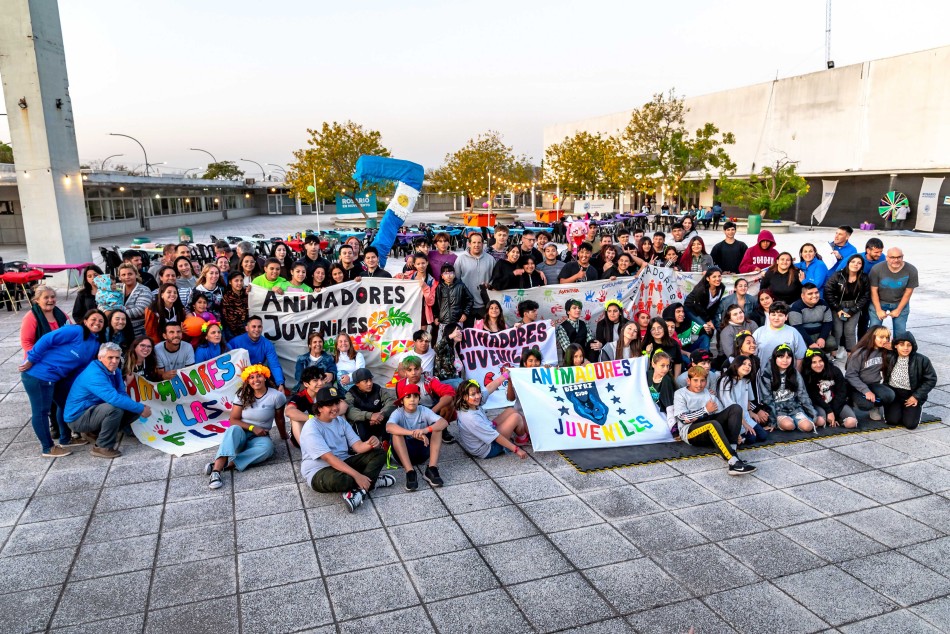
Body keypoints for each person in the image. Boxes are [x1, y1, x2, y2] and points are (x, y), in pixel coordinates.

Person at [20, 310, 105, 457]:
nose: (97, 323)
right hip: (39, 374)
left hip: (58, 378)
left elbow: (80, 368)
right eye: (94, 319)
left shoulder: (95, 342)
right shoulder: (75, 330)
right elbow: (47, 339)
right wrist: (31, 358)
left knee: (66, 404)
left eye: (101, 321)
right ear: (85, 321)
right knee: (41, 411)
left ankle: (66, 439)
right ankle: (48, 448)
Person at [300, 386, 393, 512]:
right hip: (319, 471)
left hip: (344, 462)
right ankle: (372, 481)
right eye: (329, 405)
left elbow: (358, 446)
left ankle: (360, 490)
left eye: (336, 403)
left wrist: (371, 443)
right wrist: (357, 475)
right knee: (345, 479)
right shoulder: (311, 427)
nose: (335, 408)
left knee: (379, 453)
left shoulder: (340, 421)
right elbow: (329, 458)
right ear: (319, 408)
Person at [206, 364, 288, 490]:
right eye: (252, 378)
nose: (256, 380)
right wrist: (252, 428)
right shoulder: (241, 395)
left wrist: (283, 435)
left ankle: (228, 464)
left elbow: (279, 418)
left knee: (268, 448)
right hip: (241, 434)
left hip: (259, 438)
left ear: (265, 377)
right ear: (248, 381)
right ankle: (216, 472)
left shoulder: (277, 396)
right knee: (233, 430)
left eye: (259, 376)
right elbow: (233, 420)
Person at [64, 342, 150, 459]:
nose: (114, 361)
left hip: (94, 410)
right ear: (100, 358)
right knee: (115, 409)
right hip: (77, 418)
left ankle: (95, 432)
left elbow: (121, 393)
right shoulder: (94, 373)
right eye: (110, 357)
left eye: (117, 358)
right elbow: (113, 398)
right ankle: (102, 446)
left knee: (132, 407)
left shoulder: (115, 370)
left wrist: (138, 408)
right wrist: (140, 408)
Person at [672, 365, 755, 474]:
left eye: (702, 381)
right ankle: (733, 463)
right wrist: (705, 410)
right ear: (688, 380)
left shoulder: (707, 393)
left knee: (735, 408)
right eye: (695, 381)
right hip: (690, 432)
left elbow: (721, 414)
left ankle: (733, 452)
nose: (699, 384)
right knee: (712, 424)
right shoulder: (680, 394)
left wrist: (735, 432)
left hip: (710, 426)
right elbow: (683, 418)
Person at [386, 382, 448, 490]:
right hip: (403, 454)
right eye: (408, 396)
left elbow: (444, 422)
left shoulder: (423, 410)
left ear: (419, 399)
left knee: (437, 429)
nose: (412, 399)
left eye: (415, 396)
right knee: (396, 434)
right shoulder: (398, 412)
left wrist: (425, 430)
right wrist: (413, 433)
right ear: (402, 401)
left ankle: (431, 469)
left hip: (422, 450)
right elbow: (389, 427)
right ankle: (410, 472)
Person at [455, 377, 529, 459]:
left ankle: (524, 434)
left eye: (478, 392)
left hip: (486, 434)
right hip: (487, 449)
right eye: (473, 394)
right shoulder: (471, 418)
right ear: (464, 397)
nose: (478, 396)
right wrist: (516, 449)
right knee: (516, 417)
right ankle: (522, 438)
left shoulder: (470, 402)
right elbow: (495, 437)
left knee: (511, 410)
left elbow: (490, 388)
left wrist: (505, 375)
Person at [883, 332, 936, 430]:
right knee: (892, 420)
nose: (905, 348)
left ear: (913, 346)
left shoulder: (922, 360)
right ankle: (897, 408)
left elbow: (931, 379)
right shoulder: (890, 356)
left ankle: (913, 409)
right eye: (901, 344)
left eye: (909, 345)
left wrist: (916, 396)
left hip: (911, 394)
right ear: (895, 346)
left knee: (910, 425)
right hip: (894, 394)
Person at [759, 344, 817, 432]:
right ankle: (789, 422)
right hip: (778, 410)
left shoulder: (795, 373)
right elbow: (767, 399)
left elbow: (802, 394)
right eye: (781, 357)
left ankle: (798, 420)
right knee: (789, 425)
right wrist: (773, 421)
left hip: (795, 408)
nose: (785, 360)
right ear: (775, 358)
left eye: (788, 357)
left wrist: (813, 413)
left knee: (808, 427)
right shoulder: (767, 374)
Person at [395, 356, 456, 438]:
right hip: (413, 412)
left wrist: (431, 412)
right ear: (405, 372)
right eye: (409, 370)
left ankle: (442, 429)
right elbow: (401, 405)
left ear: (421, 369)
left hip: (431, 409)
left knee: (449, 403)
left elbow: (449, 393)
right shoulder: (401, 384)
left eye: (416, 369)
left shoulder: (429, 380)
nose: (413, 373)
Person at [285, 366, 345, 447]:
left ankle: (344, 441)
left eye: (322, 379)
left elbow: (344, 405)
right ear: (306, 384)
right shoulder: (300, 397)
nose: (320, 383)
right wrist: (313, 417)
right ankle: (306, 449)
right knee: (295, 419)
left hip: (324, 427)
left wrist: (327, 415)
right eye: (315, 380)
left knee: (340, 413)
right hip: (308, 432)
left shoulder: (327, 392)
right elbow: (289, 412)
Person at [823, 254, 869, 357]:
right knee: (837, 331)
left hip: (854, 306)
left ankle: (851, 356)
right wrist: (838, 309)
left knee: (850, 331)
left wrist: (853, 310)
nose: (855, 265)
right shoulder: (838, 275)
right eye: (853, 262)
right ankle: (833, 355)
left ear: (862, 265)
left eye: (859, 263)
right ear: (848, 263)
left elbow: (865, 296)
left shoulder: (864, 278)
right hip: (838, 305)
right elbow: (828, 291)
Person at [717, 355, 770, 443]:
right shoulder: (726, 380)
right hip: (733, 418)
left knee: (763, 435)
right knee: (751, 439)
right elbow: (730, 407)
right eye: (744, 364)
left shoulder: (746, 380)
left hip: (745, 416)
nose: (747, 367)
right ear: (736, 365)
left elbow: (749, 398)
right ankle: (737, 438)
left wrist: (750, 412)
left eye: (749, 365)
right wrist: (745, 424)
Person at [801, 350, 858, 430]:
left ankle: (837, 419)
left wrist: (833, 412)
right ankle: (829, 420)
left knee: (851, 423)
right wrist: (828, 411)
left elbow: (842, 393)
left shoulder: (835, 371)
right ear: (809, 364)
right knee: (820, 421)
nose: (818, 365)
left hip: (838, 404)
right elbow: (814, 397)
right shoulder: (807, 376)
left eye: (820, 361)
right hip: (820, 405)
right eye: (814, 362)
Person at [846, 326, 894, 421]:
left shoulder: (885, 351)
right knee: (866, 404)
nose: (885, 340)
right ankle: (850, 401)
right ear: (872, 337)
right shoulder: (859, 353)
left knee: (889, 395)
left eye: (887, 337)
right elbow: (850, 375)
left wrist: (894, 350)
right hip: (856, 386)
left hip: (873, 384)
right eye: (881, 337)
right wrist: (866, 391)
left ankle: (876, 406)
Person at [869, 247, 917, 337]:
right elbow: (873, 290)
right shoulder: (877, 269)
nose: (896, 260)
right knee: (874, 330)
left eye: (899, 257)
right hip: (879, 301)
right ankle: (873, 350)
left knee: (900, 332)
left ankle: (897, 349)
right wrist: (878, 310)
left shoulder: (911, 270)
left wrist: (898, 310)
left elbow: (908, 292)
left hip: (900, 302)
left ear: (903, 257)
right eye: (892, 257)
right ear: (887, 258)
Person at [229, 316, 285, 390]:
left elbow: (274, 365)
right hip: (239, 374)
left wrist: (280, 383)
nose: (257, 329)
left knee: (278, 378)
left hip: (257, 375)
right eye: (253, 326)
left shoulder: (267, 344)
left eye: (259, 327)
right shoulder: (235, 342)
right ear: (247, 328)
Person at [345, 367, 397, 443]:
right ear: (357, 383)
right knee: (359, 423)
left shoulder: (377, 389)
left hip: (379, 420)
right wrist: (370, 416)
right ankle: (365, 447)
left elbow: (391, 401)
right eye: (365, 381)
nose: (369, 383)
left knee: (390, 418)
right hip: (364, 422)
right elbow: (349, 410)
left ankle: (386, 444)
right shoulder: (351, 394)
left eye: (370, 380)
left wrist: (381, 414)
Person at [752, 302, 807, 369]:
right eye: (773, 315)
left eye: (780, 315)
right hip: (764, 375)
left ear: (786, 317)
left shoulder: (793, 332)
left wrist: (796, 374)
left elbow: (800, 357)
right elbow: (752, 355)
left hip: (787, 376)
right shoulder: (758, 332)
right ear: (769, 316)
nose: (776, 318)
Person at [454, 232, 494, 319]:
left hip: (485, 304)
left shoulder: (490, 259)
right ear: (469, 243)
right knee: (467, 331)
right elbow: (456, 280)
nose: (477, 245)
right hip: (467, 304)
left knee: (485, 331)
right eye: (474, 242)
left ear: (483, 244)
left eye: (479, 242)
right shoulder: (461, 259)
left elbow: (493, 279)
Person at [21, 285, 70, 354]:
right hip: (39, 358)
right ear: (37, 300)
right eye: (46, 297)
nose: (50, 300)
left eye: (52, 297)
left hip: (61, 356)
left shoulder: (62, 315)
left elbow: (72, 333)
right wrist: (36, 357)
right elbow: (26, 343)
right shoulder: (30, 317)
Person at [788, 283, 835, 352]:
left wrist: (822, 337)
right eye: (810, 294)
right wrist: (811, 342)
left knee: (831, 344)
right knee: (803, 347)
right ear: (802, 296)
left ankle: (823, 356)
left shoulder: (823, 304)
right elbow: (797, 327)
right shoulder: (796, 307)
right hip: (803, 335)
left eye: (816, 293)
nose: (814, 296)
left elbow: (828, 322)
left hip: (819, 333)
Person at [684, 267, 725, 337]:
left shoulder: (722, 287)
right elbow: (698, 307)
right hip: (692, 309)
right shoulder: (701, 290)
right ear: (708, 279)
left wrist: (711, 319)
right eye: (714, 277)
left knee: (711, 330)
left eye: (719, 276)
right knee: (706, 329)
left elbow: (715, 304)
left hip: (705, 312)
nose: (718, 279)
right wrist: (708, 320)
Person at [115, 263, 152, 336]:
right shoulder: (116, 287)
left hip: (137, 332)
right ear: (119, 277)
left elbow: (139, 310)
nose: (127, 277)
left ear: (136, 274)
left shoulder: (144, 290)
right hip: (117, 332)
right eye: (123, 275)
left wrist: (114, 314)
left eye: (130, 274)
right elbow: (103, 301)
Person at [434, 264, 474, 330]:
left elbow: (470, 300)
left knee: (457, 339)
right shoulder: (439, 287)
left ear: (454, 274)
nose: (449, 275)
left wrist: (465, 313)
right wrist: (436, 316)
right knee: (444, 339)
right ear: (442, 276)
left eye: (451, 273)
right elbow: (435, 303)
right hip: (443, 321)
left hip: (457, 320)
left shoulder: (460, 286)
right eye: (446, 273)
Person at [646, 350, 676, 417]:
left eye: (667, 366)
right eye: (662, 365)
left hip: (662, 413)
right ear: (653, 364)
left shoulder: (666, 380)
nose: (666, 369)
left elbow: (669, 405)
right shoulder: (648, 374)